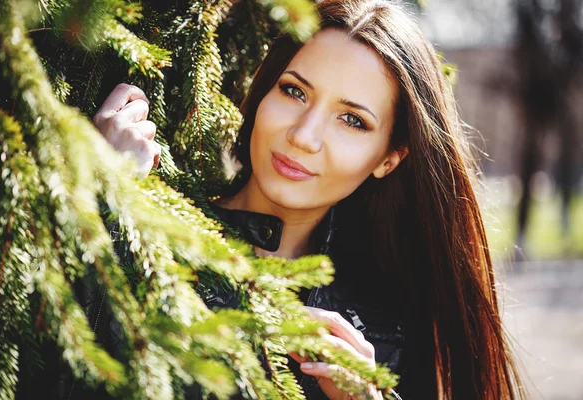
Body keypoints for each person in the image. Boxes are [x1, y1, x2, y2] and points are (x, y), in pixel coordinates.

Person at [92, 0, 524, 398]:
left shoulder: (388, 319)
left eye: (352, 120)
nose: (303, 136)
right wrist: (99, 195)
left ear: (389, 159)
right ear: (263, 92)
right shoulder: (145, 228)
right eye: (294, 91)